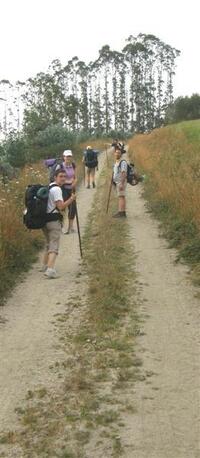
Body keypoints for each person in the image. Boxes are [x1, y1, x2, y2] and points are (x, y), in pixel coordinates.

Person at [41, 169, 76, 279]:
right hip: (53, 221)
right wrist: (71, 199)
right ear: (55, 177)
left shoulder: (49, 187)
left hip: (44, 220)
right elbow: (61, 206)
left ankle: (45, 266)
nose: (63, 178)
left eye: (64, 176)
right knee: (54, 245)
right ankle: (50, 270)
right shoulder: (56, 189)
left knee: (48, 243)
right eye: (61, 176)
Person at [61, 150, 77, 234]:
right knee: (63, 208)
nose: (68, 158)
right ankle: (62, 227)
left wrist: (74, 182)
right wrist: (69, 182)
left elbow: (75, 177)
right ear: (63, 157)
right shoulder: (61, 166)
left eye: (69, 156)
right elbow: (58, 179)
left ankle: (70, 227)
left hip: (71, 189)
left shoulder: (73, 165)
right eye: (66, 156)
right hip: (63, 190)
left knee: (72, 208)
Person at [112, 148, 127, 218]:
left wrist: (121, 183)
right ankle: (122, 212)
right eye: (116, 152)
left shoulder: (123, 162)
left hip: (121, 182)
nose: (117, 154)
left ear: (121, 154)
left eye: (119, 153)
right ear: (114, 153)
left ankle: (121, 213)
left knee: (121, 197)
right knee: (121, 197)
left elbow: (124, 173)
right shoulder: (116, 162)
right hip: (117, 182)